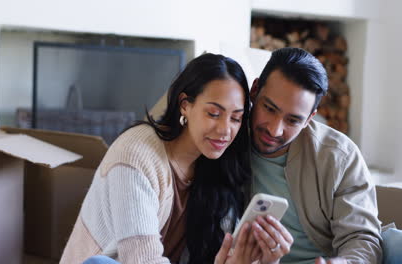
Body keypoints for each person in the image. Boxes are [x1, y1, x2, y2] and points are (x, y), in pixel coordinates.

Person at [60, 53, 288, 264]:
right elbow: (142, 261)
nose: (224, 130)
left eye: (236, 119)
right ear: (185, 106)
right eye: (214, 114)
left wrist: (263, 260)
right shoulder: (135, 155)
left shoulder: (217, 165)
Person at [246, 47, 382, 264]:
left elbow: (362, 239)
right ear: (254, 91)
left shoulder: (339, 157)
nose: (275, 130)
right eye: (269, 108)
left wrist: (344, 263)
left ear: (310, 119)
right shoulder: (225, 138)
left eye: (293, 121)